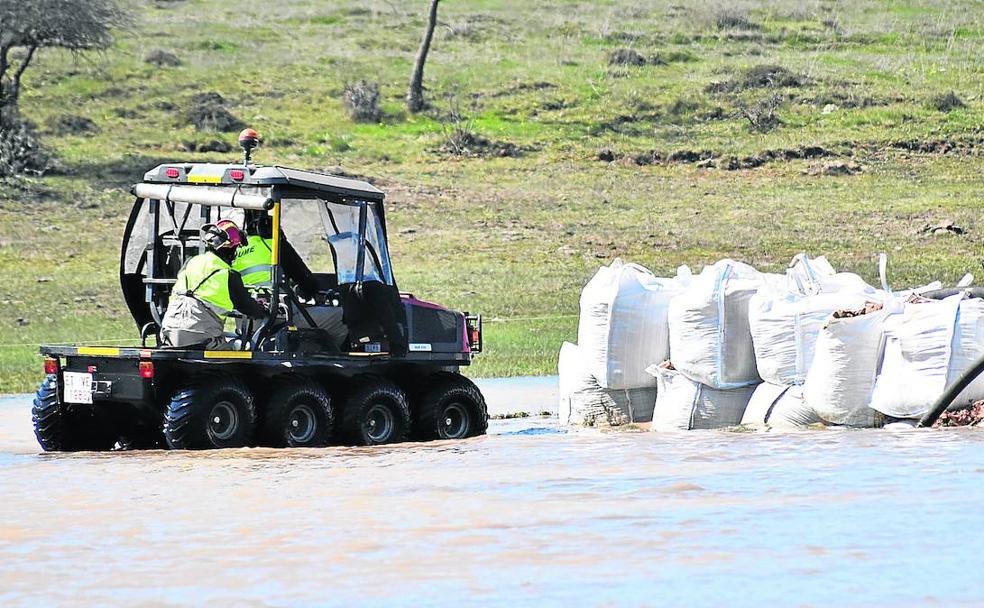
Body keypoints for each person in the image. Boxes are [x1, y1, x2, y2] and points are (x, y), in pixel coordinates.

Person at [235, 211, 348, 350]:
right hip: (278, 319)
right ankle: (332, 365)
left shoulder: (236, 250)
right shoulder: (275, 246)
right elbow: (308, 283)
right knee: (342, 317)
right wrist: (308, 293)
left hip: (245, 324)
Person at [160, 219, 267, 349]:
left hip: (169, 332)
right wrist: (263, 308)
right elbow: (248, 308)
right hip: (201, 338)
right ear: (230, 248)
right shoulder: (227, 274)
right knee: (241, 352)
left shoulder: (190, 263)